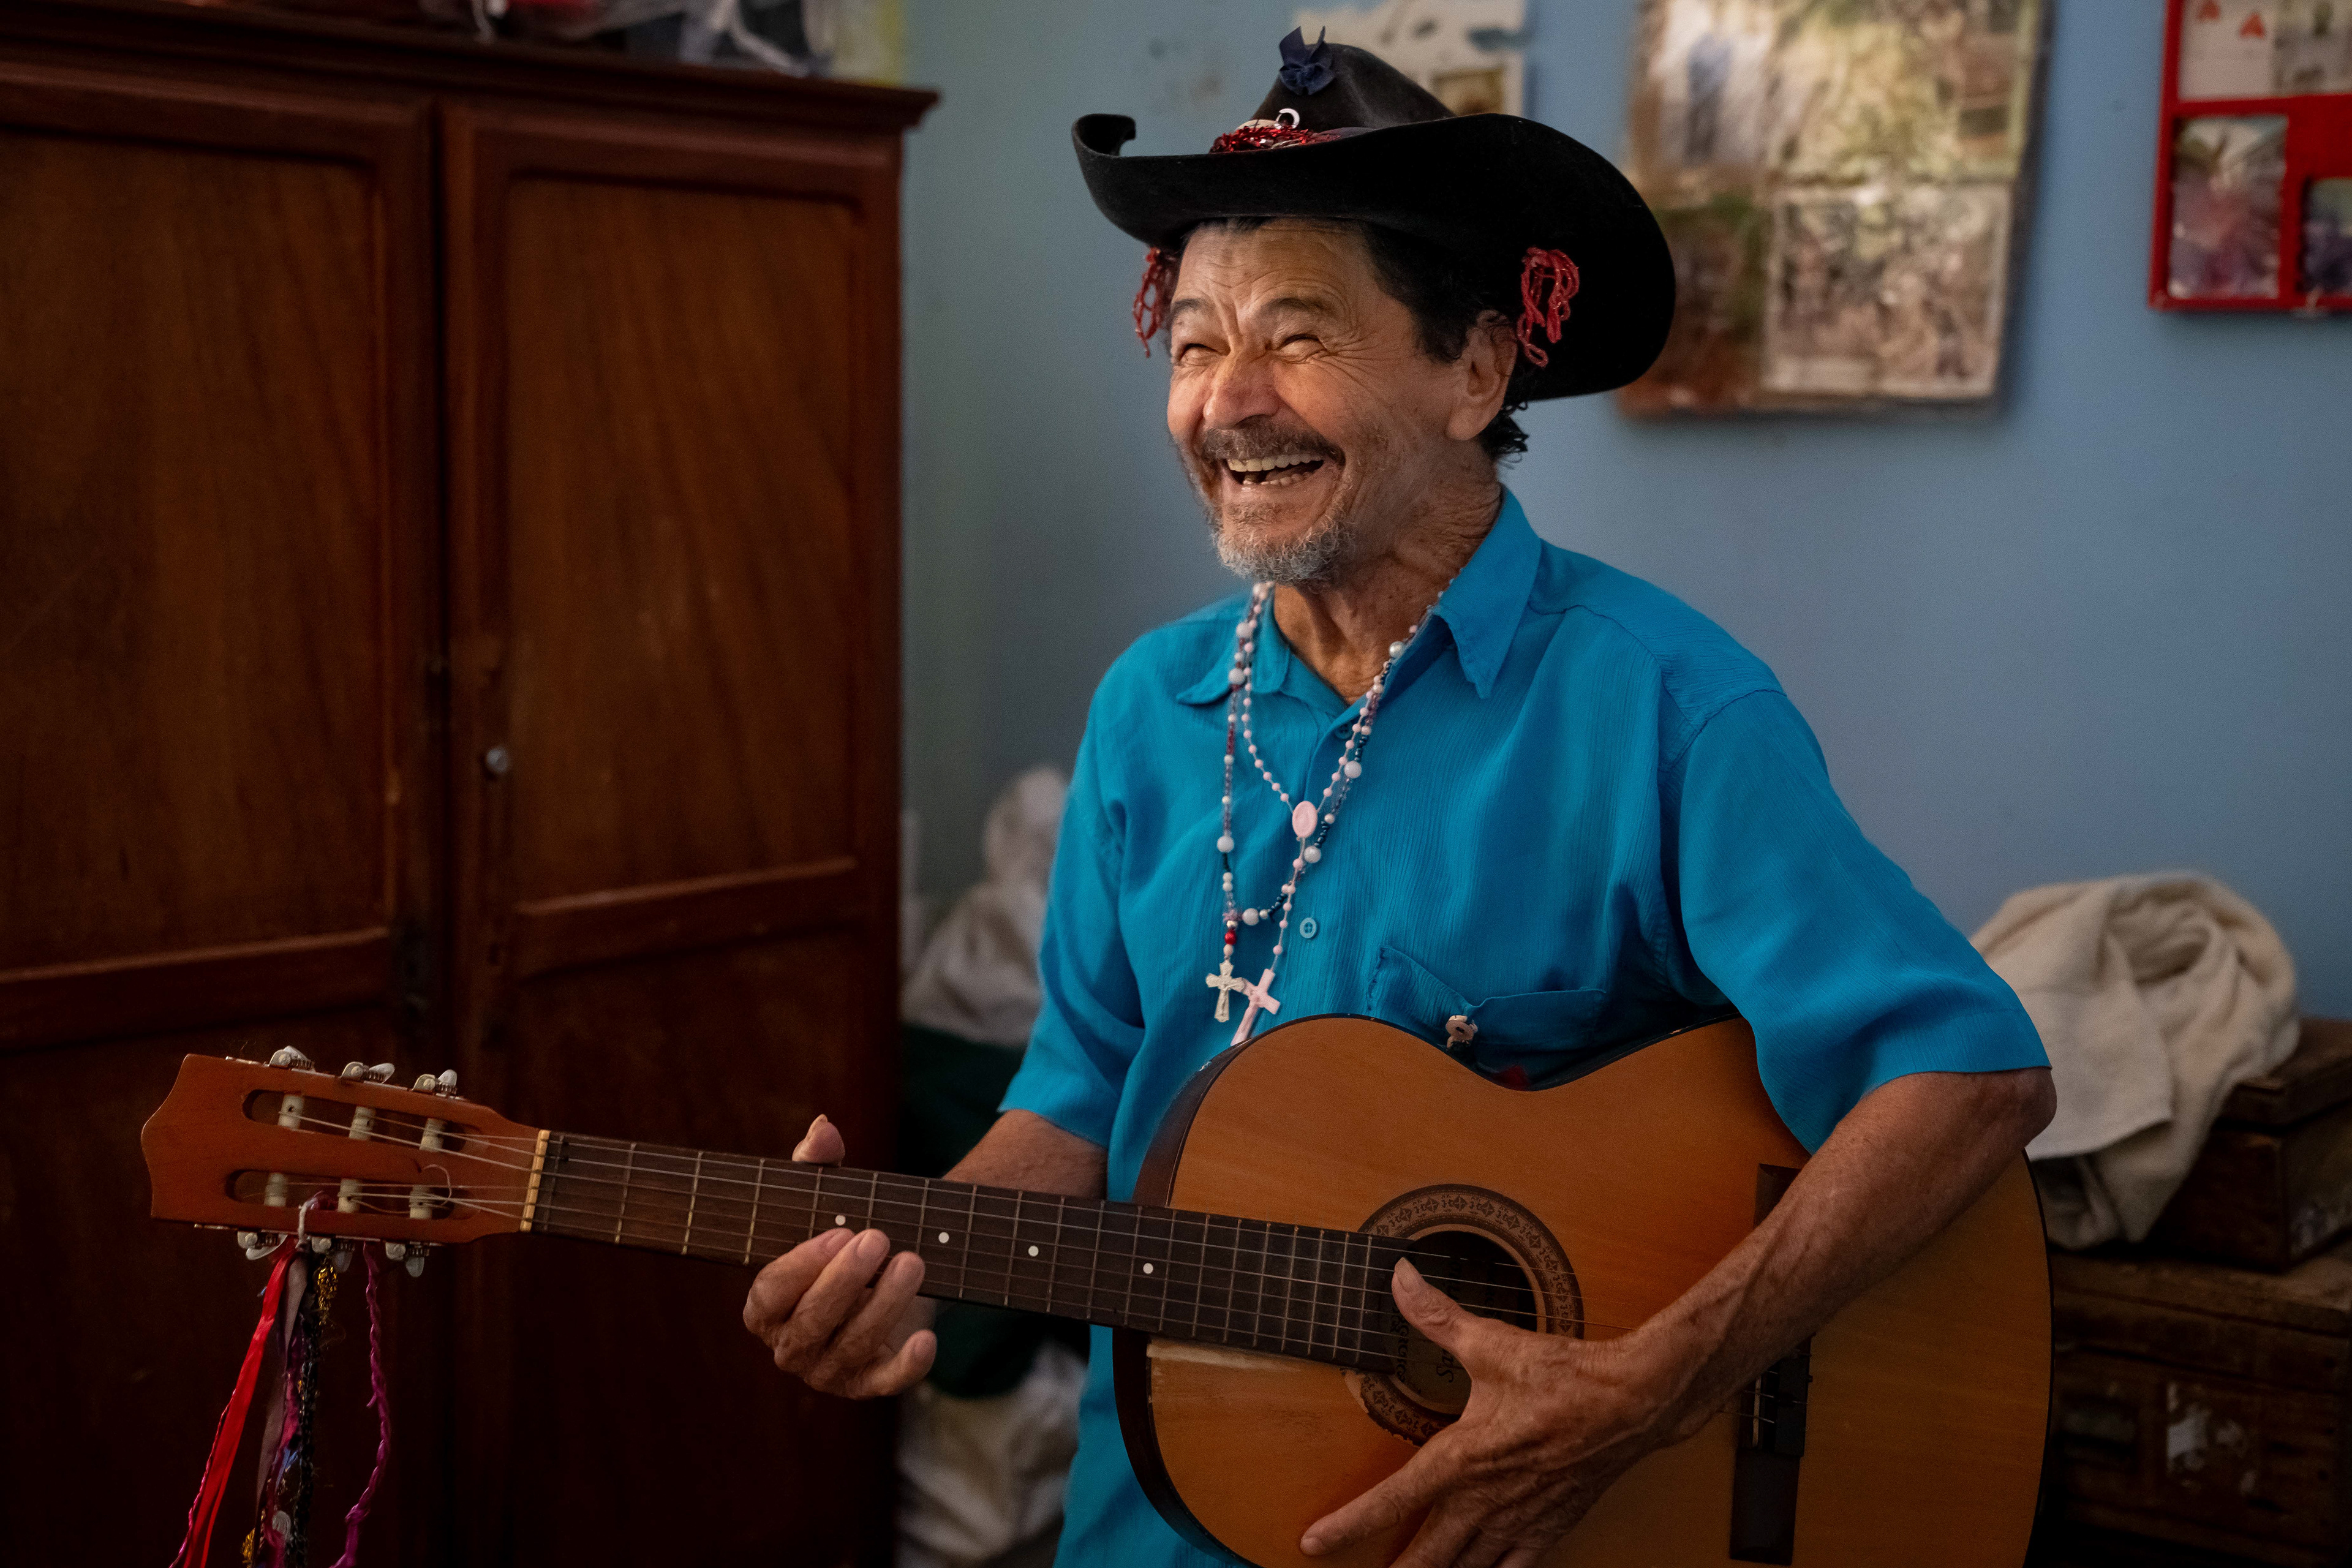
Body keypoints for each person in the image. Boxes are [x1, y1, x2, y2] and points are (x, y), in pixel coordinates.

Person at [744, 32, 2053, 1568]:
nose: (1228, 403)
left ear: (1476, 370)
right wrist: (912, 1252)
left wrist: (1643, 1384)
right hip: (1154, 1520)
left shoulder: (1665, 708)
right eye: (1192, 346)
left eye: (1297, 336)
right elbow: (1082, 1090)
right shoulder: (1146, 714)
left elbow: (1967, 1078)